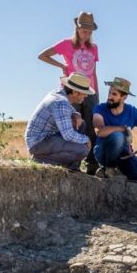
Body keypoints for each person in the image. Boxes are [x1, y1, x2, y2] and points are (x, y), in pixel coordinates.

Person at [38, 11, 101, 175]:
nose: (86, 34)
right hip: (72, 91)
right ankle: (73, 163)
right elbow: (42, 55)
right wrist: (61, 66)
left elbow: (94, 72)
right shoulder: (66, 44)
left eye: (89, 32)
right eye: (84, 30)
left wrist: (97, 95)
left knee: (91, 127)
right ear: (77, 28)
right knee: (74, 124)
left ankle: (92, 165)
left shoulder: (94, 48)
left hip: (90, 92)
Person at [24, 72, 94, 170]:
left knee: (81, 124)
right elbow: (68, 134)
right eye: (84, 93)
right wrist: (86, 140)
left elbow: (65, 112)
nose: (86, 96)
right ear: (74, 92)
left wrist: (75, 114)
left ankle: (73, 168)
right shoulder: (61, 102)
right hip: (38, 143)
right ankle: (41, 160)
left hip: (45, 138)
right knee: (83, 150)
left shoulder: (59, 94)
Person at [91, 77, 137, 181]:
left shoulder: (132, 111)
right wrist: (123, 129)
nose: (109, 97)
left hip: (125, 156)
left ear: (124, 97)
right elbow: (99, 131)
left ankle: (112, 172)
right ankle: (110, 169)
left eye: (114, 94)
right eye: (109, 93)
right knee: (118, 136)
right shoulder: (100, 108)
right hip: (103, 153)